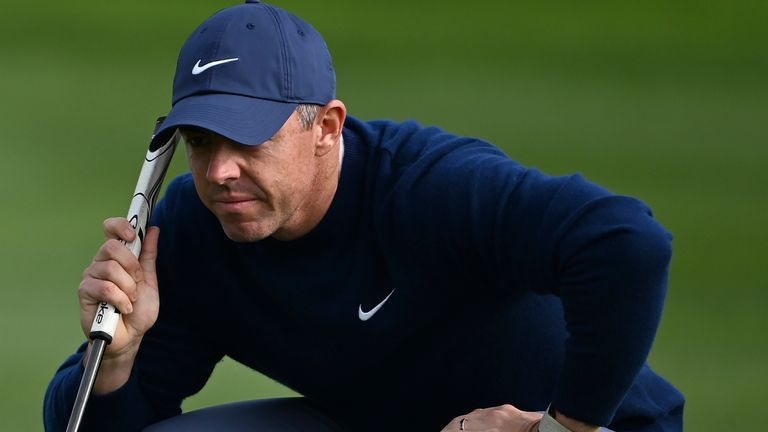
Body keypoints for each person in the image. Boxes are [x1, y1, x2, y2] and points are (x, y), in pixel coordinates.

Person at [44, 1, 685, 431]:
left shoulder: (432, 188)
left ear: (326, 126)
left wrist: (558, 428)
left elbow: (628, 244)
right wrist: (118, 363)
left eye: (248, 140)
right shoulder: (193, 228)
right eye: (203, 141)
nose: (218, 172)